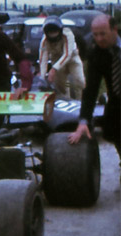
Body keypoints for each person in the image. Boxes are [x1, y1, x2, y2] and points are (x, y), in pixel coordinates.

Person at [68, 15, 120, 158]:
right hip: (117, 108)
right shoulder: (96, 53)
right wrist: (83, 121)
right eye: (95, 35)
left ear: (114, 29)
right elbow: (91, 89)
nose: (98, 39)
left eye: (103, 34)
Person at [39, 16, 86, 100]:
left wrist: (53, 69)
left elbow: (67, 54)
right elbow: (43, 60)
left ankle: (81, 102)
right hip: (56, 58)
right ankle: (66, 101)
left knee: (80, 81)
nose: (52, 34)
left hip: (72, 58)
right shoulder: (44, 41)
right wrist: (42, 78)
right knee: (61, 85)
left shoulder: (68, 35)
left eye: (55, 31)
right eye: (50, 32)